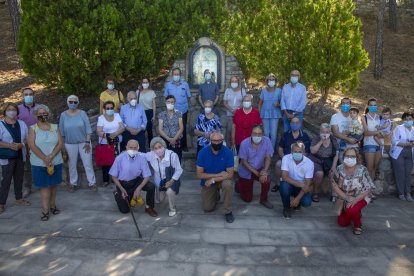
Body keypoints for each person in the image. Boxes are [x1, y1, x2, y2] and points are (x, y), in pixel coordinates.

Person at [27, 104, 64, 221]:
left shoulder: (55, 127)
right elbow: (31, 145)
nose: (43, 115)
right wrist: (44, 158)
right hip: (39, 163)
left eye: (45, 113)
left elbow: (60, 143)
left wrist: (51, 156)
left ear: (48, 114)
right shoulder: (33, 128)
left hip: (56, 161)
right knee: (44, 187)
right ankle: (45, 210)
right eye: (40, 114)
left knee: (53, 186)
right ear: (36, 115)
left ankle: (53, 205)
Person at [331, 147, 374, 235]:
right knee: (342, 223)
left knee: (351, 210)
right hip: (345, 197)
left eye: (352, 156)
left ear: (357, 157)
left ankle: (358, 224)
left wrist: (356, 199)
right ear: (343, 157)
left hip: (361, 196)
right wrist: (347, 197)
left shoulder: (362, 170)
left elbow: (368, 188)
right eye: (347, 156)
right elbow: (335, 186)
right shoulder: (339, 169)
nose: (349, 158)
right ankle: (355, 212)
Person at [59, 95, 97, 192]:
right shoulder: (63, 115)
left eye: (75, 102)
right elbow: (61, 132)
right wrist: (63, 147)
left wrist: (88, 142)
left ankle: (92, 183)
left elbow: (88, 129)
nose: (73, 104)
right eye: (70, 102)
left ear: (78, 103)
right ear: (67, 102)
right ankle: (73, 183)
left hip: (84, 143)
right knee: (72, 164)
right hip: (69, 143)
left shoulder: (82, 114)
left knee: (88, 163)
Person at [110, 140, 158, 217]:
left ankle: (149, 207)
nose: (133, 149)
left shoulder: (142, 157)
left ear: (138, 148)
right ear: (126, 147)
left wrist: (138, 189)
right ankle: (117, 194)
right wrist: (122, 189)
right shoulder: (119, 158)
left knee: (151, 186)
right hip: (123, 184)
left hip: (136, 180)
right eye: (130, 147)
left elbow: (147, 176)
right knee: (125, 210)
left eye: (135, 148)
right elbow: (113, 176)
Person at [196, 131, 235, 223]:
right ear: (210, 140)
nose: (216, 143)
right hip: (209, 181)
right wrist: (217, 175)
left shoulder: (228, 152)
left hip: (221, 180)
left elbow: (230, 174)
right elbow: (199, 174)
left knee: (228, 184)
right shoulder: (202, 153)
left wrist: (213, 179)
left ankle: (228, 211)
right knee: (208, 208)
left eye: (219, 140)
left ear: (223, 140)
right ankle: (216, 194)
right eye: (214, 140)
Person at [0, 103, 30, 214]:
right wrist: (9, 145)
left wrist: (21, 144)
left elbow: (27, 138)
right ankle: (1, 203)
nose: (11, 112)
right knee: (6, 180)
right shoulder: (1, 125)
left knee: (19, 178)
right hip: (7, 156)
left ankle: (19, 199)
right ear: (5, 112)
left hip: (20, 155)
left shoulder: (21, 124)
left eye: (14, 110)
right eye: (9, 109)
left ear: (17, 112)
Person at [235, 125, 274, 209]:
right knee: (247, 199)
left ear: (263, 134)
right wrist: (257, 174)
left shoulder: (267, 141)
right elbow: (244, 162)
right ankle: (238, 184)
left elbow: (268, 157)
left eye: (259, 134)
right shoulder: (244, 143)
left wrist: (264, 171)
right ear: (251, 133)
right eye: (255, 133)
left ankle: (264, 199)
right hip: (246, 170)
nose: (257, 136)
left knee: (266, 180)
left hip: (260, 168)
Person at [145, 137, 183, 216]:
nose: (158, 150)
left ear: (163, 146)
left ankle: (172, 208)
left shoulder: (172, 155)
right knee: (162, 200)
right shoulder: (151, 155)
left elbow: (179, 170)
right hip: (159, 181)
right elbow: (140, 155)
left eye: (160, 147)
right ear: (152, 149)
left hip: (172, 179)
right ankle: (161, 195)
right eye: (155, 148)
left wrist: (171, 181)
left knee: (169, 192)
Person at [272, 117, 311, 192]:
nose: (294, 124)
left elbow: (306, 152)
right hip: (286, 158)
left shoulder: (305, 136)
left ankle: (298, 185)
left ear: (300, 124)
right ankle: (278, 184)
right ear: (290, 124)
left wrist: (299, 160)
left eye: (297, 123)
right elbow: (280, 149)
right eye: (293, 123)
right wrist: (284, 159)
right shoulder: (285, 135)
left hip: (299, 159)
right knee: (278, 164)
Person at [279, 142, 314, 219]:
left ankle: (297, 203)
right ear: (291, 152)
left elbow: (307, 184)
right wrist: (300, 184)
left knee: (307, 202)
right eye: (295, 151)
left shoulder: (309, 163)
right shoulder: (286, 158)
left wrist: (298, 199)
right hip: (289, 183)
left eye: (300, 152)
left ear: (304, 152)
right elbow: (284, 176)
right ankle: (286, 208)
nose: (297, 153)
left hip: (301, 188)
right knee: (284, 187)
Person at [96, 101, 124, 186]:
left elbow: (122, 127)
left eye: (111, 108)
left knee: (117, 161)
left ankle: (117, 179)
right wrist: (107, 136)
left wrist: (115, 134)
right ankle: (106, 180)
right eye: (107, 108)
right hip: (105, 143)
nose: (110, 109)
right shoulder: (101, 118)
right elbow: (98, 131)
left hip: (116, 142)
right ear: (104, 109)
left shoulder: (117, 115)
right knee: (106, 162)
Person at [309, 123, 339, 202]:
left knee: (334, 173)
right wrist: (321, 141)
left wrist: (333, 167)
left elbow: (336, 154)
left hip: (328, 161)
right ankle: (315, 192)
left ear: (329, 132)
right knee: (319, 173)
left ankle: (334, 195)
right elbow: (312, 151)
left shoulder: (333, 139)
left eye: (327, 132)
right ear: (320, 131)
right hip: (317, 160)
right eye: (323, 131)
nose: (325, 134)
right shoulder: (316, 138)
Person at [17, 87, 39, 198]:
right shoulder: (18, 109)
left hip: (39, 140)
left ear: (34, 95)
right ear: (22, 96)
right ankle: (27, 187)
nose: (28, 96)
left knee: (41, 162)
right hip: (24, 140)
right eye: (26, 94)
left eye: (30, 94)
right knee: (26, 166)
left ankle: (42, 184)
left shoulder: (40, 108)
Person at [163, 68, 191, 151]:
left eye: (177, 74)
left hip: (183, 110)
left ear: (180, 75)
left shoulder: (185, 84)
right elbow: (165, 97)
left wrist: (183, 104)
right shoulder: (168, 85)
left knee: (183, 128)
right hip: (172, 111)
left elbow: (188, 97)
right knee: (172, 127)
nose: (176, 76)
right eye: (175, 74)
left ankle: (183, 146)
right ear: (172, 75)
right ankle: (172, 145)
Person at [390, 112, 414, 201]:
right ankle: (401, 193)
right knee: (400, 173)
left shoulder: (413, 129)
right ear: (403, 120)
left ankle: (408, 193)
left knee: (408, 173)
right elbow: (394, 141)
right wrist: (405, 144)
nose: (408, 121)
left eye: (410, 119)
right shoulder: (398, 128)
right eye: (406, 119)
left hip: (410, 153)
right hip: (399, 152)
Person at [258, 73, 282, 149]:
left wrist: (278, 104)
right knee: (266, 133)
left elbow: (283, 103)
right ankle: (265, 149)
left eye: (273, 79)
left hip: (275, 114)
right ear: (267, 81)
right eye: (269, 79)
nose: (271, 81)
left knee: (273, 133)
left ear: (275, 81)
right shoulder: (263, 91)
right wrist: (259, 113)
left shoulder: (279, 91)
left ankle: (271, 150)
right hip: (264, 114)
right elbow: (260, 103)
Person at [330, 97, 358, 162]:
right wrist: (348, 139)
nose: (345, 105)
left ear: (350, 105)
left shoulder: (354, 117)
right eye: (343, 103)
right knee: (343, 164)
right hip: (341, 145)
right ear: (340, 105)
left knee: (354, 164)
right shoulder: (335, 117)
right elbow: (335, 133)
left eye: (347, 103)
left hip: (353, 145)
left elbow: (358, 130)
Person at [361, 98, 382, 183]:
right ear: (368, 106)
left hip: (379, 145)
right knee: (369, 168)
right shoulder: (364, 117)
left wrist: (378, 133)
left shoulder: (380, 117)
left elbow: (384, 132)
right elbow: (366, 133)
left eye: (375, 105)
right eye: (371, 105)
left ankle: (371, 189)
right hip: (369, 144)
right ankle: (367, 191)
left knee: (374, 168)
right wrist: (377, 132)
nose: (373, 107)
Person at [158, 95, 184, 162]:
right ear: (165, 102)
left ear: (174, 103)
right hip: (165, 140)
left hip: (177, 140)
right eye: (168, 102)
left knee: (177, 159)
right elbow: (160, 129)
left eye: (172, 102)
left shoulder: (179, 114)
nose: (170, 103)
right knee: (165, 160)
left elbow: (181, 128)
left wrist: (174, 139)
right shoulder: (161, 114)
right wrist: (168, 139)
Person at [223, 76, 246, 145]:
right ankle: (229, 148)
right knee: (229, 132)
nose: (234, 83)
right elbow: (225, 102)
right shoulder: (227, 90)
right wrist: (231, 109)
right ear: (230, 82)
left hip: (239, 115)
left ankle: (238, 147)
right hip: (229, 115)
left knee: (238, 132)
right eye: (232, 81)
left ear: (238, 82)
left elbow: (244, 101)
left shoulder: (242, 90)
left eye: (235, 81)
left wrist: (237, 109)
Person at [136, 77, 156, 147]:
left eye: (146, 82)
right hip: (141, 112)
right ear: (141, 83)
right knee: (141, 130)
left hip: (149, 112)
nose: (145, 84)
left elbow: (154, 104)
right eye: (143, 82)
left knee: (149, 130)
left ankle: (151, 146)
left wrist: (154, 115)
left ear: (149, 83)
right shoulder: (138, 92)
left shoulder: (152, 92)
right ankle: (141, 146)